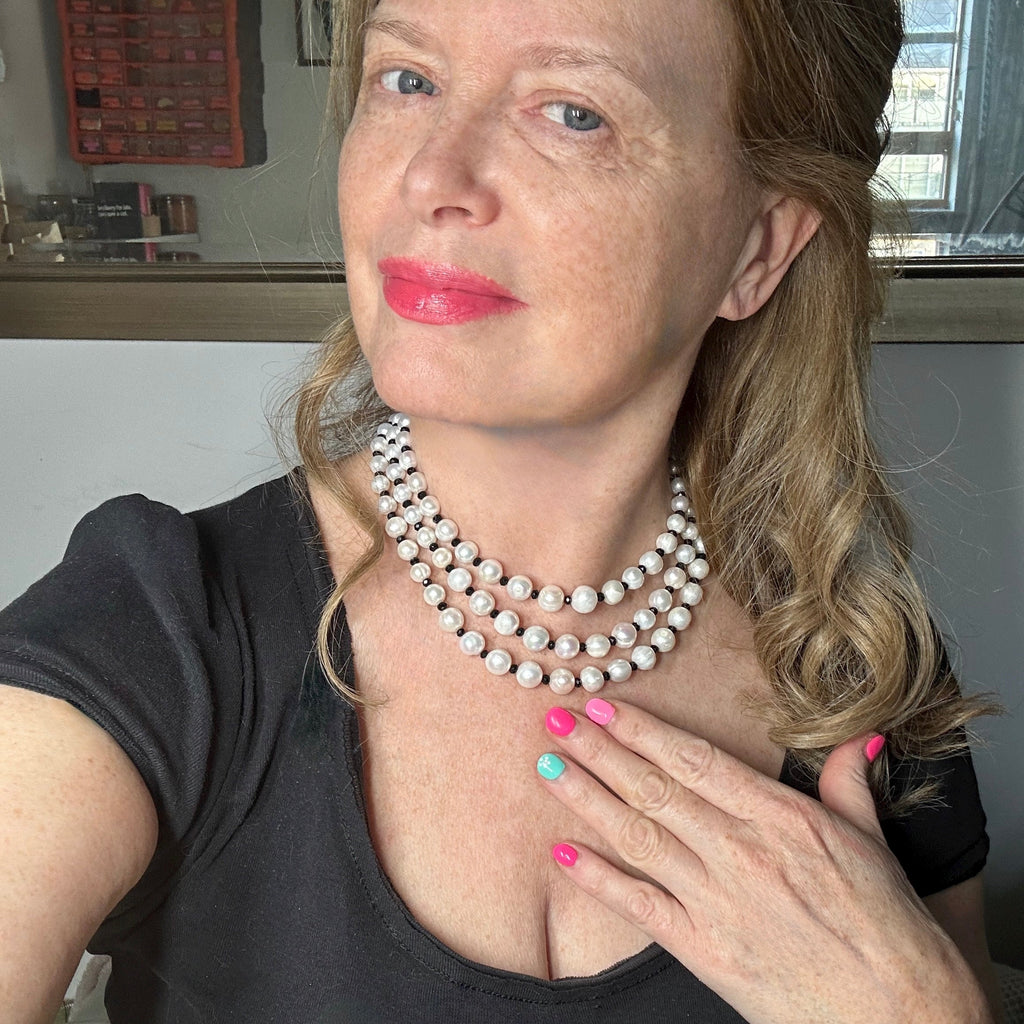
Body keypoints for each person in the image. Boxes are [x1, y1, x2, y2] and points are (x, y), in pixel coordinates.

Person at [0, 0, 1006, 1020]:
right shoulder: (155, 632)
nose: (430, 175)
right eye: (408, 80)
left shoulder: (859, 667)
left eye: (572, 112)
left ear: (758, 247)